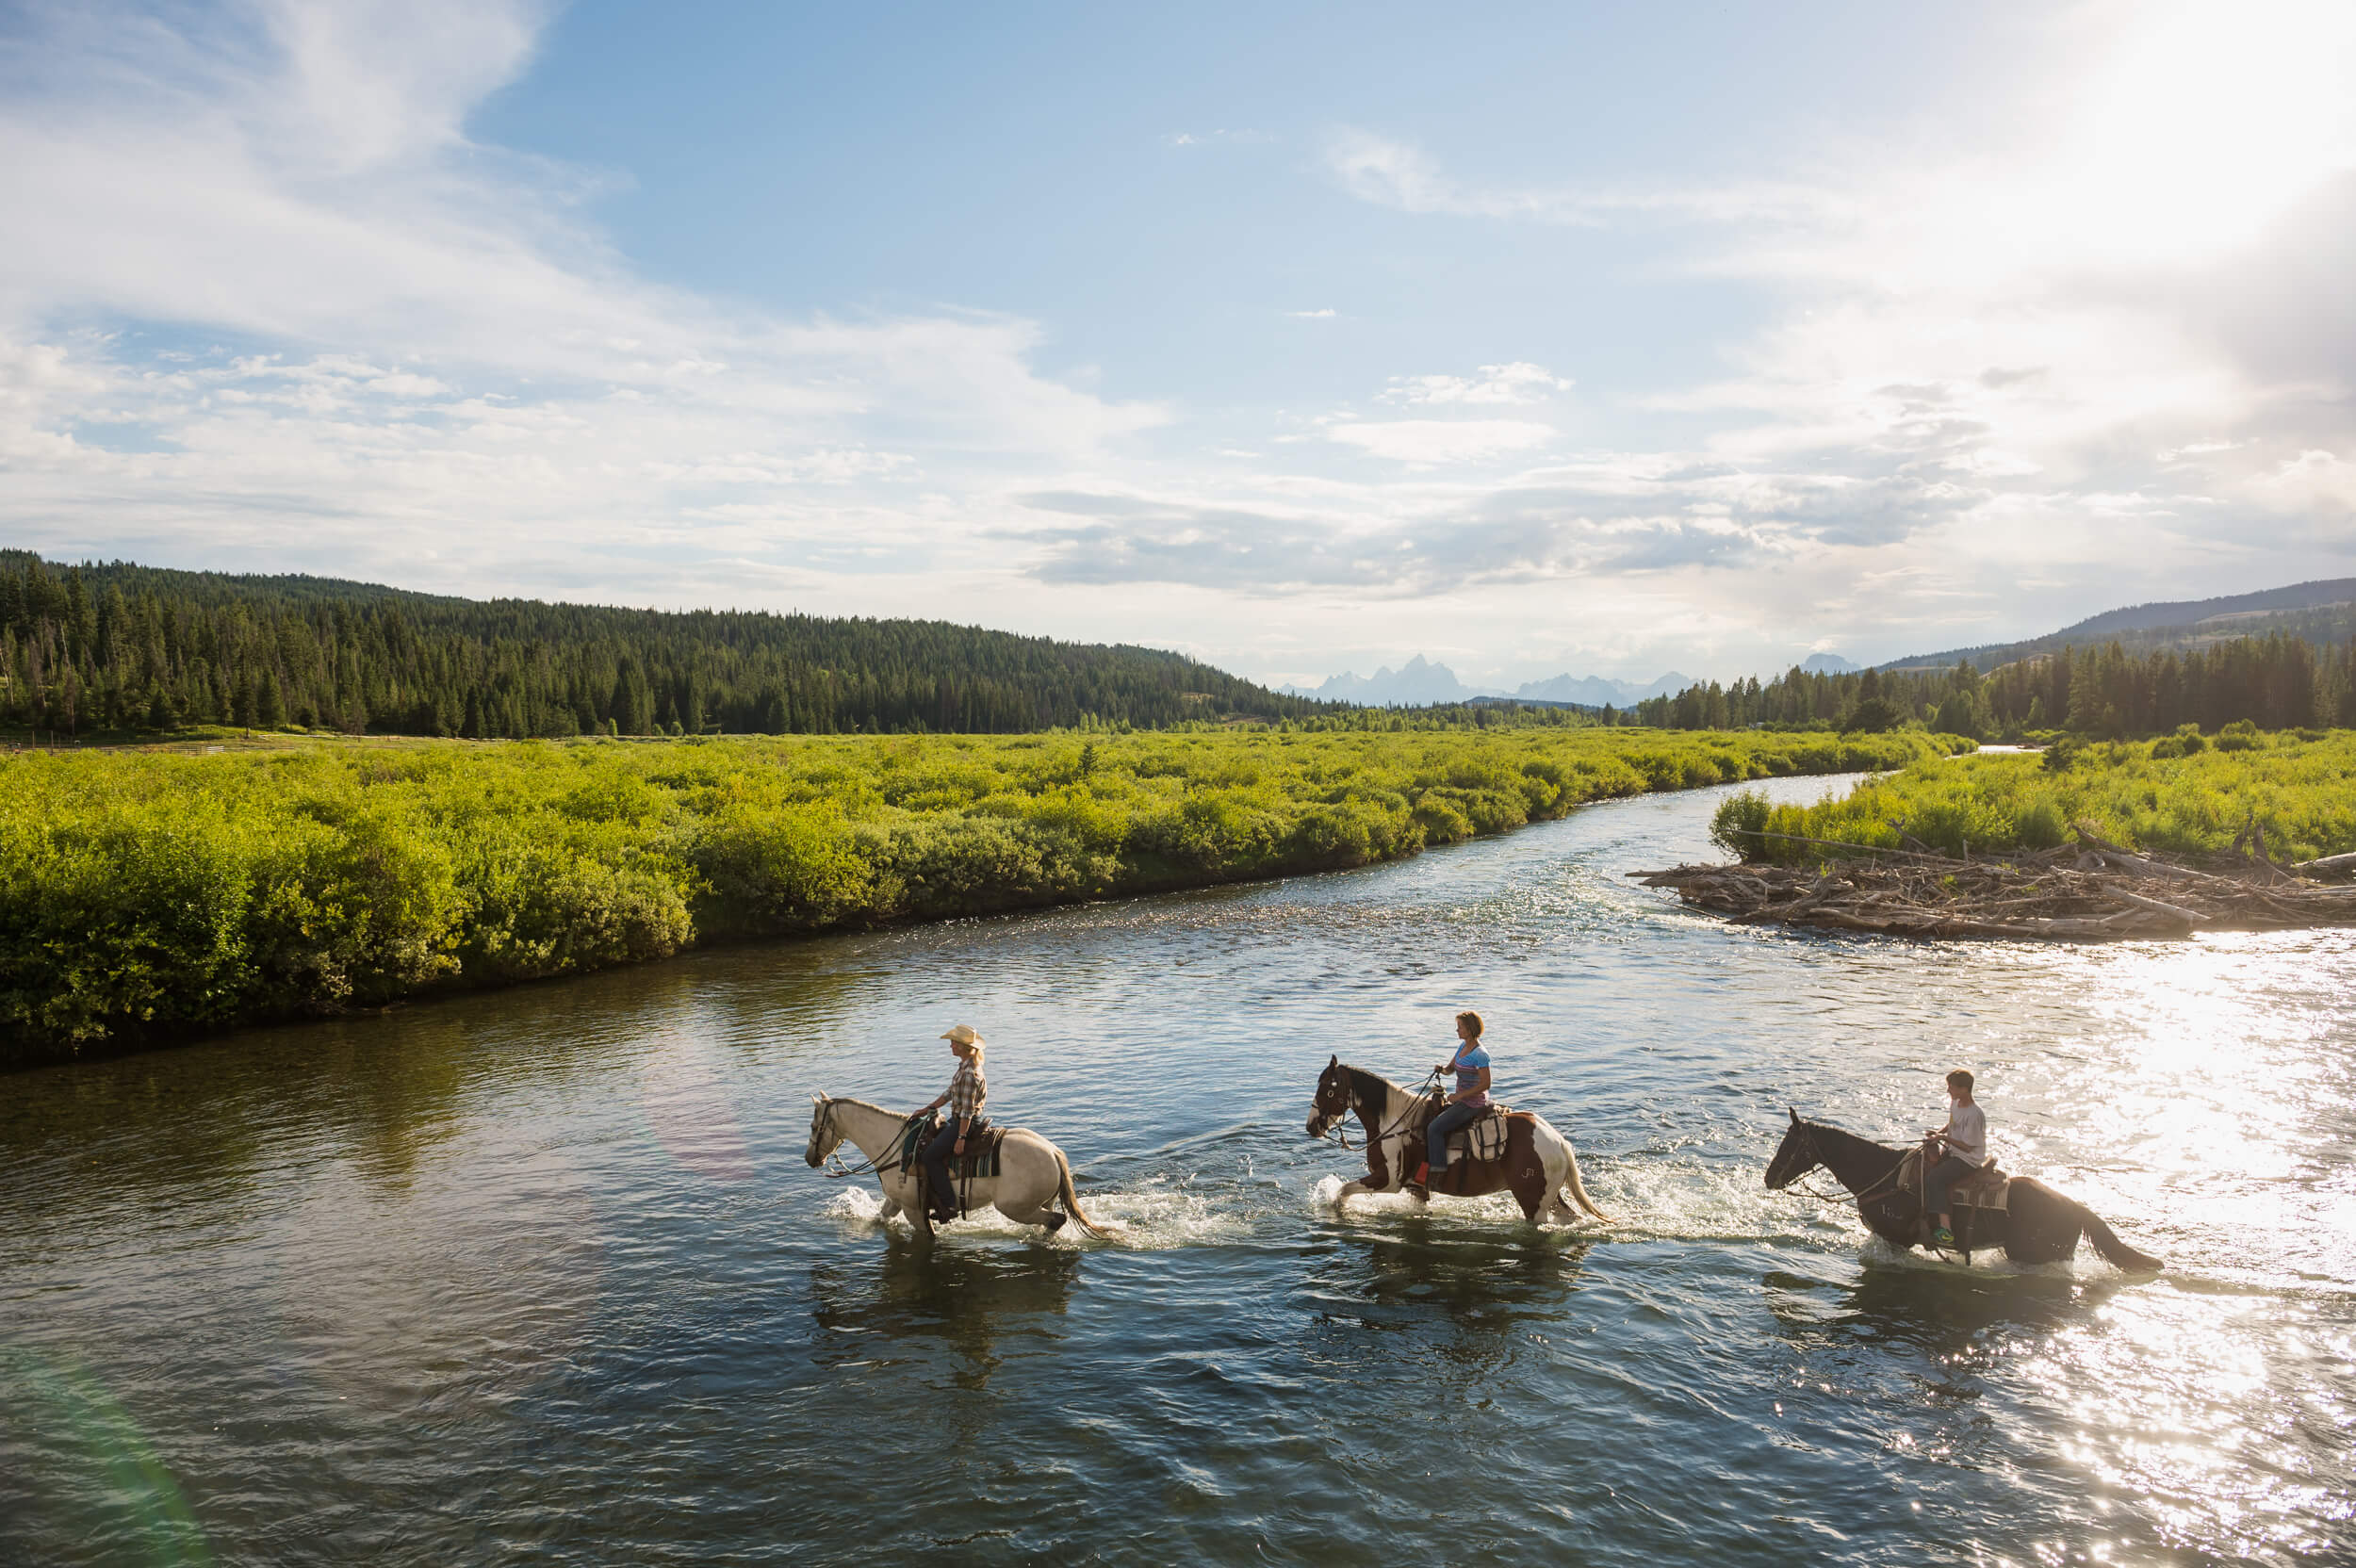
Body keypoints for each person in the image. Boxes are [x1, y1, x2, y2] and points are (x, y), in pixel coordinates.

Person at [1413, 1010, 1492, 1198]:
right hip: (1461, 1099)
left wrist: (1459, 1096)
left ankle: (1438, 1172)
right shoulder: (1462, 1047)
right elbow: (1451, 1069)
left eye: (1460, 1027)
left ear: (1470, 1029)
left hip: (1473, 1103)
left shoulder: (1480, 1054)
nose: (1457, 1030)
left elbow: (1485, 1084)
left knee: (1434, 1129)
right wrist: (1442, 1069)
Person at [917, 1024, 989, 1223]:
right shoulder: (965, 1067)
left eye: (954, 1043)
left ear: (964, 1047)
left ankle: (948, 1204)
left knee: (930, 1156)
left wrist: (961, 1137)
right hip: (960, 1119)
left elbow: (966, 1110)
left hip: (965, 1122)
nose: (950, 1046)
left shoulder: (968, 1074)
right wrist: (928, 1108)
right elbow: (950, 1093)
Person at [1922, 1068, 1988, 1249]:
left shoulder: (1974, 1115)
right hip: (1953, 1152)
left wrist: (1943, 1139)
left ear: (1964, 1089)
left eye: (1951, 1087)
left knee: (1935, 1179)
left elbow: (1968, 1147)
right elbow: (1952, 1123)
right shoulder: (1956, 1103)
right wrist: (1939, 1132)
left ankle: (1946, 1230)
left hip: (1967, 1159)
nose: (1948, 1090)